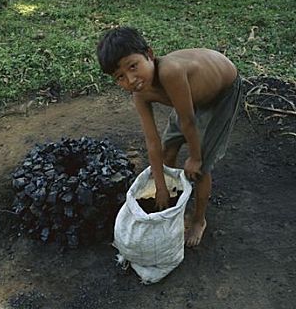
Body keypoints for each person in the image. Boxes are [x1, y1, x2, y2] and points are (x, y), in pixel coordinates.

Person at [97, 26, 242, 247]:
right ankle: (175, 203)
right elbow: (152, 141)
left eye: (133, 66)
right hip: (189, 100)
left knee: (200, 169)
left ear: (150, 54)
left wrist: (195, 157)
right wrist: (160, 187)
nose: (131, 79)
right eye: (120, 77)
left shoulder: (170, 72)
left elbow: (188, 122)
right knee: (167, 151)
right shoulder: (140, 94)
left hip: (221, 93)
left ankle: (198, 220)